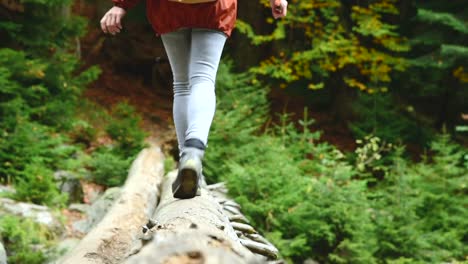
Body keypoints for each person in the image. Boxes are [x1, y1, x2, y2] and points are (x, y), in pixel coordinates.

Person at [100, 0, 288, 199]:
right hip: (213, 7)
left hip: (168, 7)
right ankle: (194, 152)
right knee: (203, 78)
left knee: (182, 85)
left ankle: (186, 161)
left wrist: (121, 5)